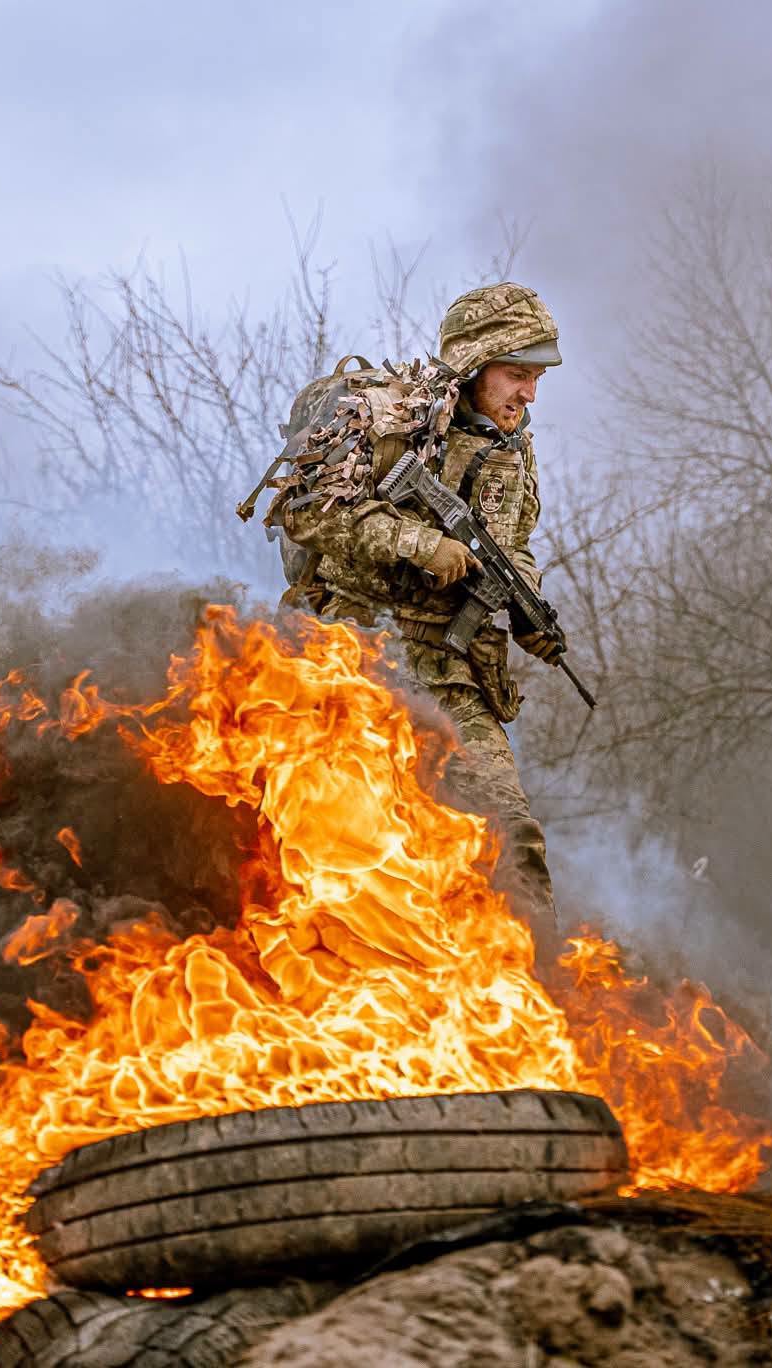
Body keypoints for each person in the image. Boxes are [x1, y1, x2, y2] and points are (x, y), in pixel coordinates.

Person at [282, 282, 566, 952]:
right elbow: (306, 509)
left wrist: (523, 598)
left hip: (447, 667)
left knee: (510, 834)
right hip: (350, 657)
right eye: (516, 374)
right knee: (339, 844)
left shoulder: (511, 450)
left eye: (537, 379)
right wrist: (418, 543)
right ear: (474, 365)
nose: (529, 394)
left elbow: (513, 542)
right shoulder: (380, 417)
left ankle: (539, 996)